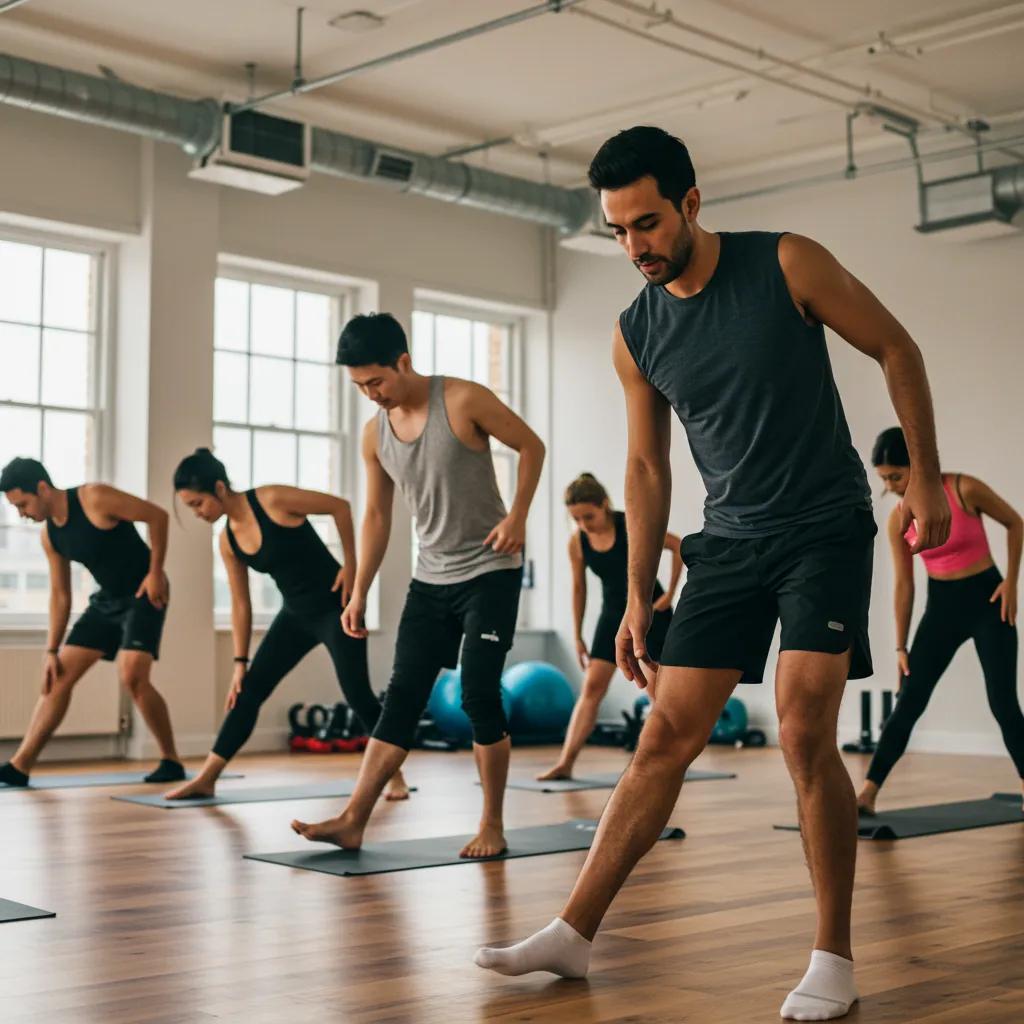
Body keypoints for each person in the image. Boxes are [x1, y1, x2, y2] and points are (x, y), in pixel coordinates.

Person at [474, 126, 950, 1021]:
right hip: (726, 543)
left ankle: (834, 957)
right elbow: (647, 469)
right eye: (617, 231)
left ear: (691, 204)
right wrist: (636, 593)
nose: (634, 247)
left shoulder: (787, 263)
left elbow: (898, 350)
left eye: (646, 223)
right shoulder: (634, 332)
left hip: (823, 530)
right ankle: (573, 934)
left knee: (805, 729)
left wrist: (924, 477)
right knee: (662, 738)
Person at [291, 312, 545, 858]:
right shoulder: (374, 434)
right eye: (359, 386)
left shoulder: (462, 400)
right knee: (400, 698)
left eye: (376, 381)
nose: (371, 394)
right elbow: (377, 516)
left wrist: (519, 516)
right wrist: (359, 589)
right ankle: (354, 818)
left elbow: (532, 447)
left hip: (490, 571)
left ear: (403, 361)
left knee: (479, 694)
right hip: (430, 578)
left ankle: (492, 824)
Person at [165, 448, 406, 801]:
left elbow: (340, 506)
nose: (198, 514)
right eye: (191, 508)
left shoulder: (272, 499)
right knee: (247, 692)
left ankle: (395, 775)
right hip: (294, 615)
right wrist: (239, 663)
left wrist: (352, 566)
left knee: (358, 695)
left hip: (335, 608)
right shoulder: (227, 540)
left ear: (218, 488)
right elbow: (241, 604)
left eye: (198, 504)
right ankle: (207, 777)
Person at [857, 427, 1024, 814]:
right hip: (942, 608)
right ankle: (867, 792)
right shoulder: (901, 520)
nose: (892, 486)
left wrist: (1012, 583)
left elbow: (1017, 524)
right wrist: (901, 646)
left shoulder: (964, 489)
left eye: (896, 476)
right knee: (909, 701)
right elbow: (904, 585)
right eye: (884, 479)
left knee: (1002, 703)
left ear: (918, 466)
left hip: (989, 601)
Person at [0, 457, 184, 786]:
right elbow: (60, 594)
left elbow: (157, 517)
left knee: (132, 676)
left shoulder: (94, 498)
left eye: (23, 504)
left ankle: (171, 760)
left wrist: (156, 573)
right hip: (107, 600)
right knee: (57, 677)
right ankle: (20, 766)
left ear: (42, 489)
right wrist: (51, 649)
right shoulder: (50, 536)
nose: (21, 514)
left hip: (144, 593)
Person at [537, 472, 681, 781]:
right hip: (613, 614)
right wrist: (577, 636)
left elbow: (678, 545)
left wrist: (669, 594)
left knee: (658, 690)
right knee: (592, 687)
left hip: (649, 610)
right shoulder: (577, 542)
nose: (584, 524)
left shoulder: (632, 524)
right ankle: (565, 763)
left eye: (589, 515)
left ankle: (667, 763)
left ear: (605, 504)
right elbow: (579, 589)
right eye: (577, 519)